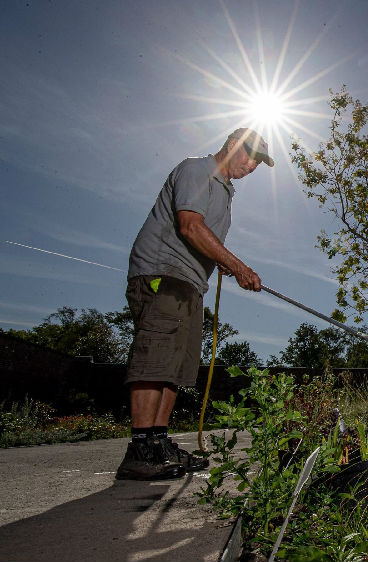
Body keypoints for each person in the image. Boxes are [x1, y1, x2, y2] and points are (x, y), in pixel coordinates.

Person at [116, 128, 272, 480]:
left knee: (176, 367)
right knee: (155, 358)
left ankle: (157, 443)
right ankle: (139, 450)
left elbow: (204, 236)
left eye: (258, 162)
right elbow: (189, 226)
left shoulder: (224, 191)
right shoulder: (197, 170)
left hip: (189, 282)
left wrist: (218, 260)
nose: (251, 166)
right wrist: (237, 265)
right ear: (232, 145)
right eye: (249, 156)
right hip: (163, 275)